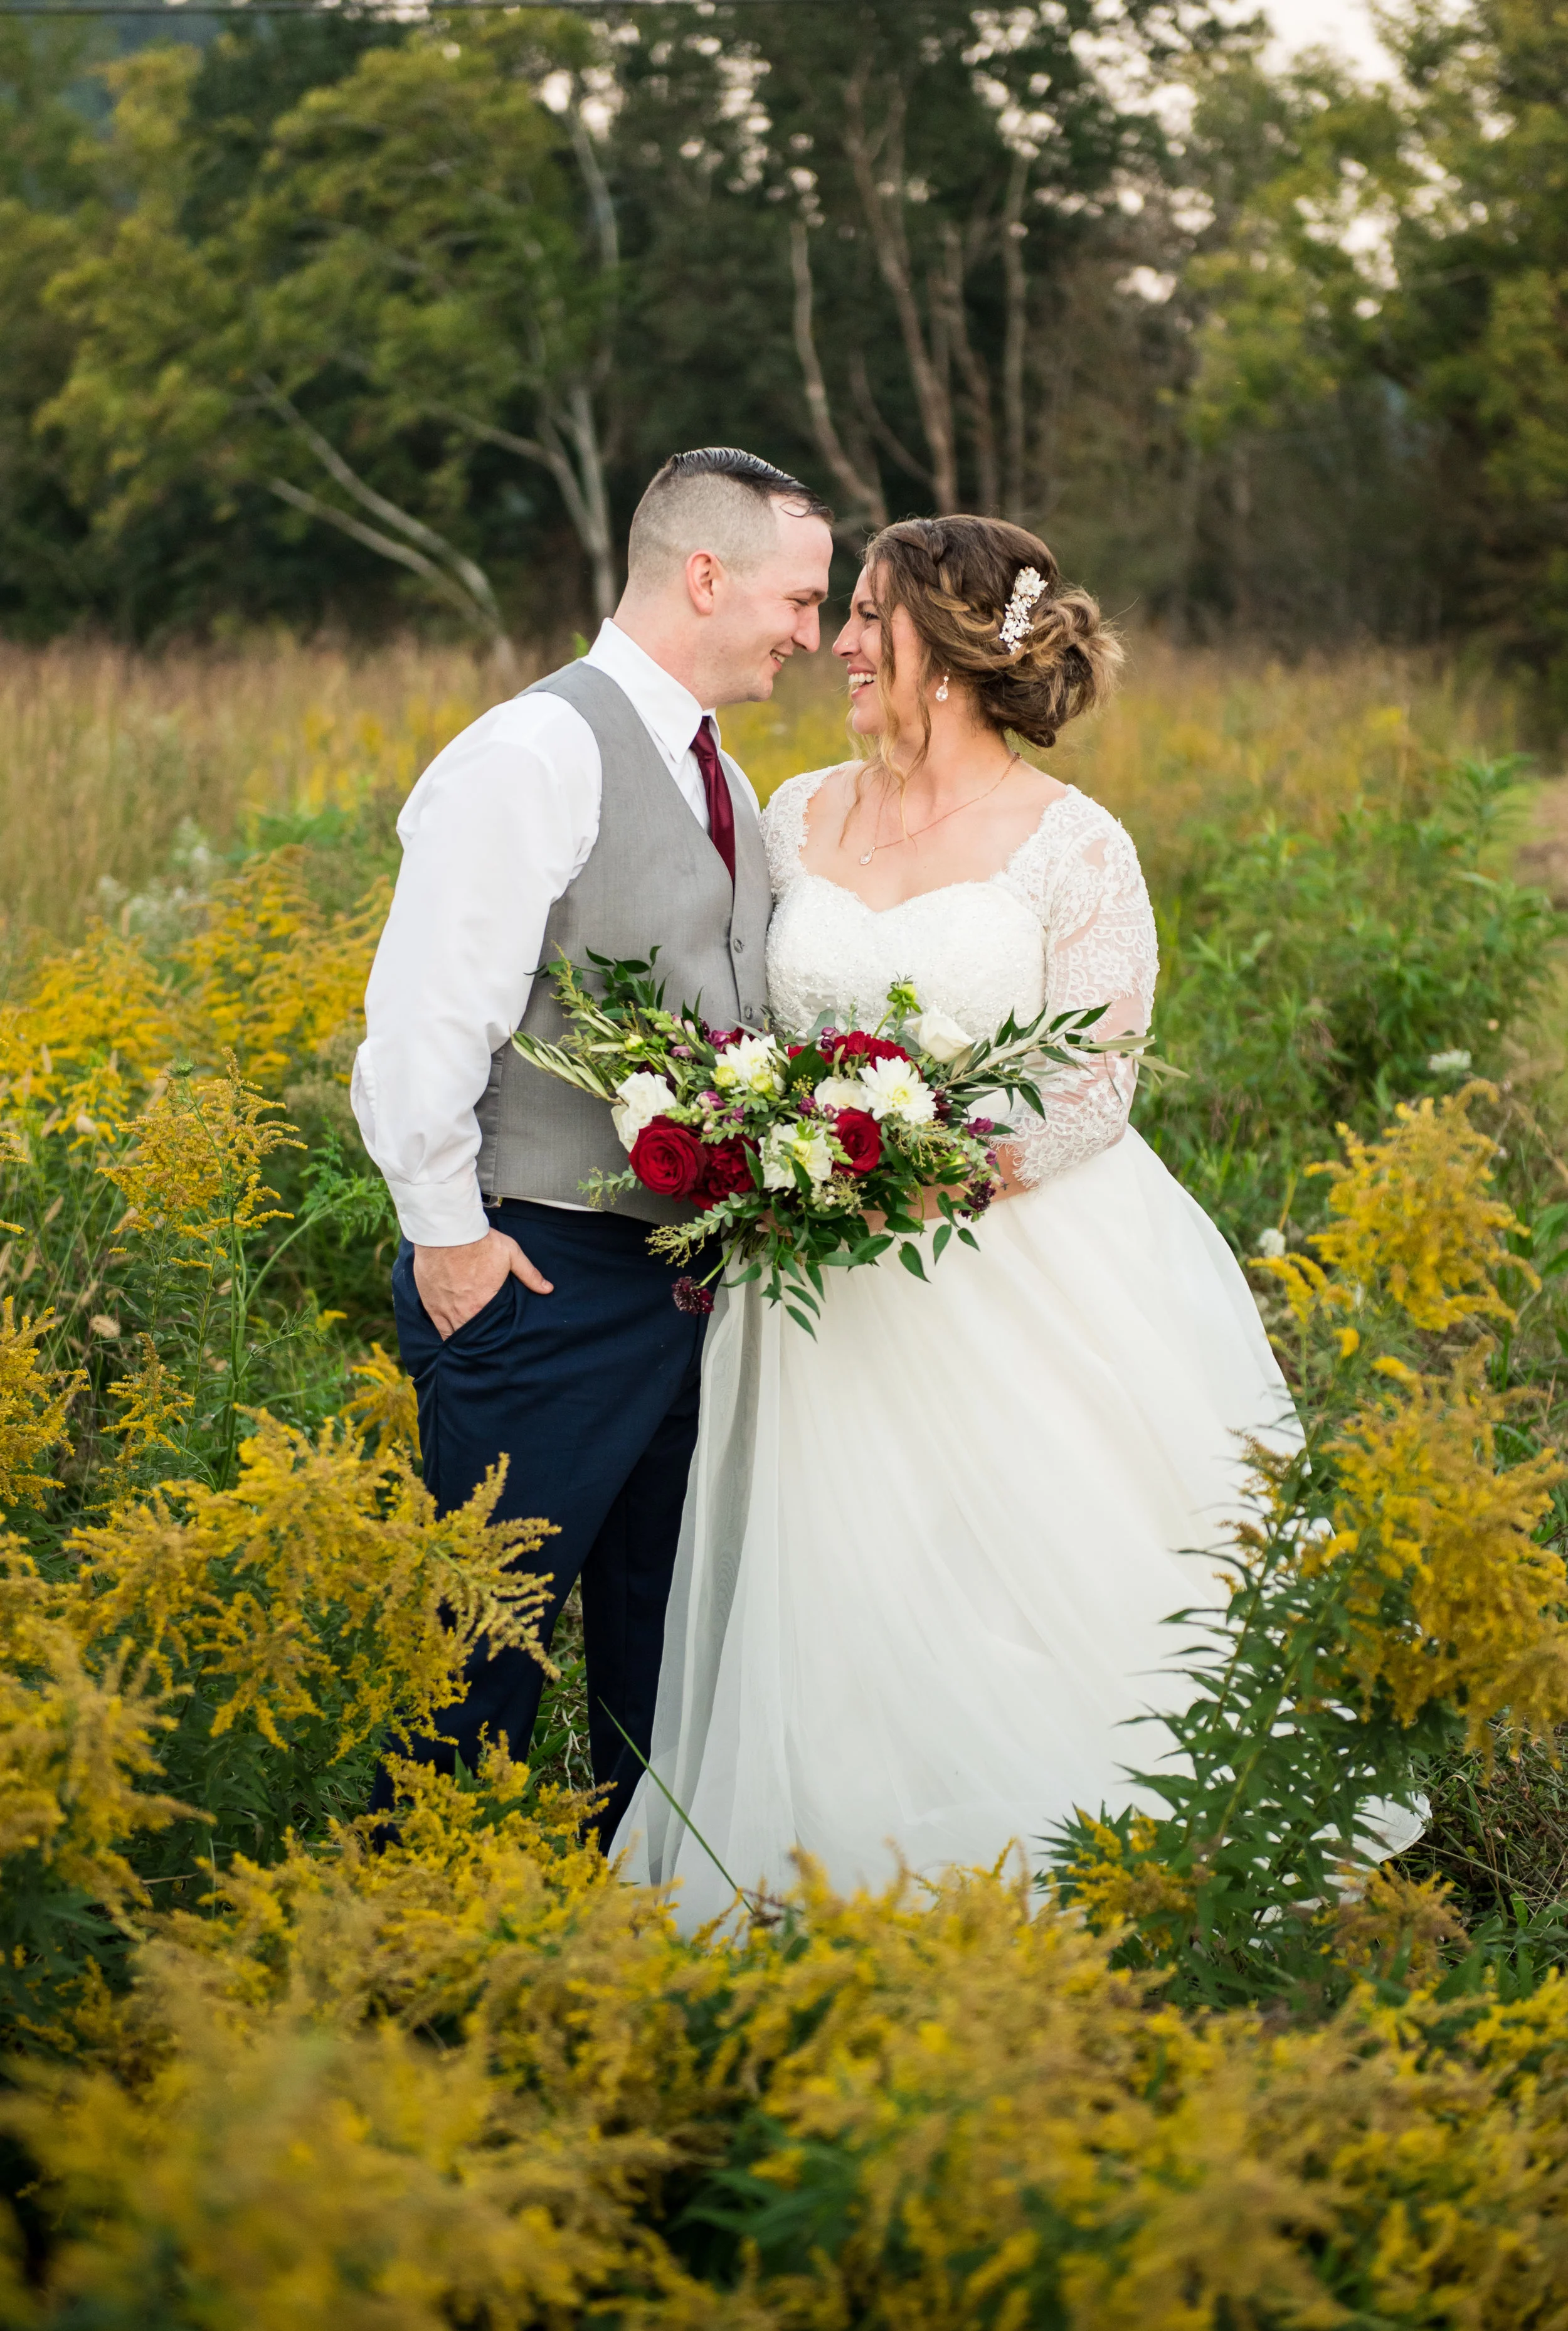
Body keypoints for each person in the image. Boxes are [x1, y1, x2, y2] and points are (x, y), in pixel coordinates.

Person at [613, 514, 1308, 1924]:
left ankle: (1078, 1884)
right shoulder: (788, 813)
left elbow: (1097, 1079)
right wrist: (750, 1140)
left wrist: (925, 1172)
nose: (842, 645)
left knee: (1025, 1573)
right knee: (838, 1588)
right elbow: (721, 1010)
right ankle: (841, 1884)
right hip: (814, 1290)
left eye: (870, 617)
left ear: (949, 647)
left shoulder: (1072, 844)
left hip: (1019, 1265)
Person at [351, 447, 834, 1842]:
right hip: (539, 1271)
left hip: (686, 1286)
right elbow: (424, 1023)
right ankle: (410, 1966)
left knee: (658, 1650)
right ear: (704, 575)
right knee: (476, 1654)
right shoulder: (535, 750)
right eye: (799, 598)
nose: (810, 632)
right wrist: (450, 1243)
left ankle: (624, 1952)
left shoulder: (724, 776)